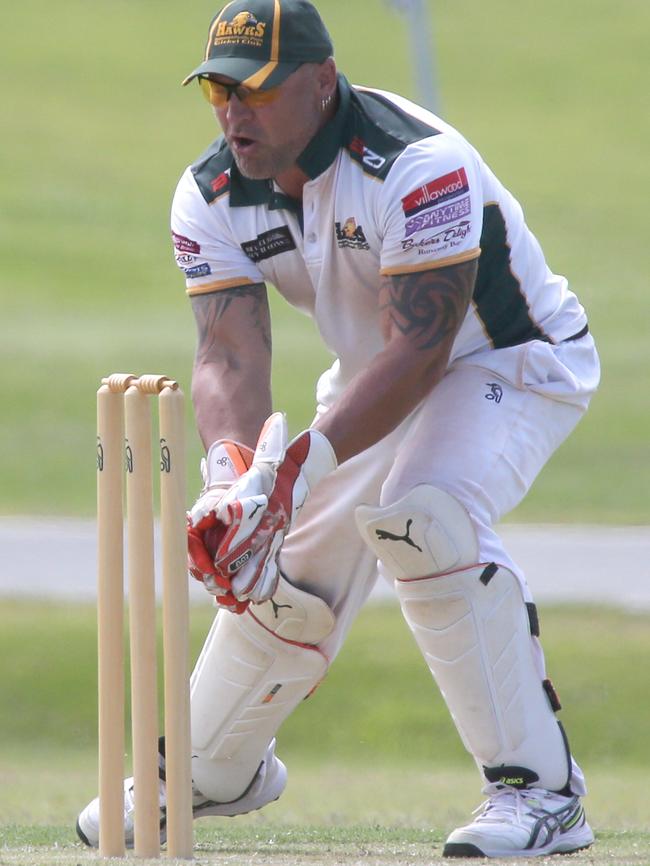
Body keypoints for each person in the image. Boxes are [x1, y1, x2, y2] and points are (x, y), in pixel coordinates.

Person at [77, 0, 601, 858]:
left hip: (511, 359)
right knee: (276, 563)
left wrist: (302, 467)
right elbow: (229, 356)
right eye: (218, 92)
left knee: (422, 516)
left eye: (257, 91)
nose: (234, 113)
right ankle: (215, 771)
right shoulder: (210, 191)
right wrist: (235, 479)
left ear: (322, 83)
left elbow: (425, 350)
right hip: (372, 376)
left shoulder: (415, 163)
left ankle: (540, 796)